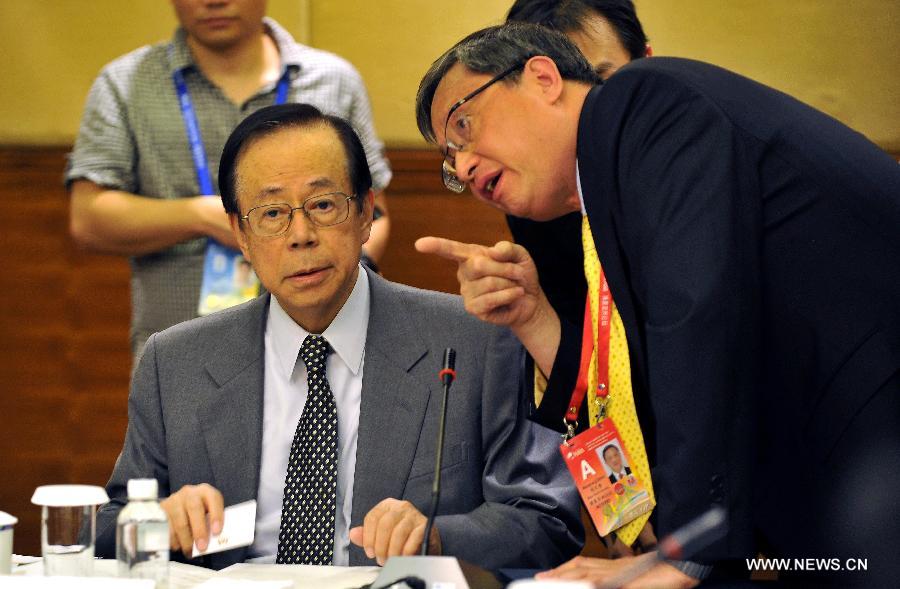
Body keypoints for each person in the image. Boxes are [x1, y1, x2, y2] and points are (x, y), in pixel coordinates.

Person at [414, 22, 900, 587]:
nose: (465, 166)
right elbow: (628, 390)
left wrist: (684, 550)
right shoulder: (599, 207)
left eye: (464, 126)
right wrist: (532, 317)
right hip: (828, 490)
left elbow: (694, 321)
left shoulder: (643, 102)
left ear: (543, 78)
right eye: (451, 160)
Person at [93, 102, 582, 572]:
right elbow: (109, 525)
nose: (300, 234)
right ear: (240, 234)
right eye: (271, 214)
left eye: (323, 205)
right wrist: (157, 521)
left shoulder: (476, 341)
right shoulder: (174, 361)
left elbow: (546, 522)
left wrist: (435, 536)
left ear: (367, 212)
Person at [66, 0, 392, 360]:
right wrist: (204, 217)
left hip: (316, 347)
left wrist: (323, 284)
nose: (214, 1)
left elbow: (373, 215)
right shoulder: (125, 83)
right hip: (179, 351)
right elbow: (88, 216)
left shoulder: (333, 80)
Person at [503, 0, 650, 330]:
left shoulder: (691, 166)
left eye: (599, 81)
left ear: (647, 62)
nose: (582, 111)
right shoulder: (536, 196)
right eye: (550, 91)